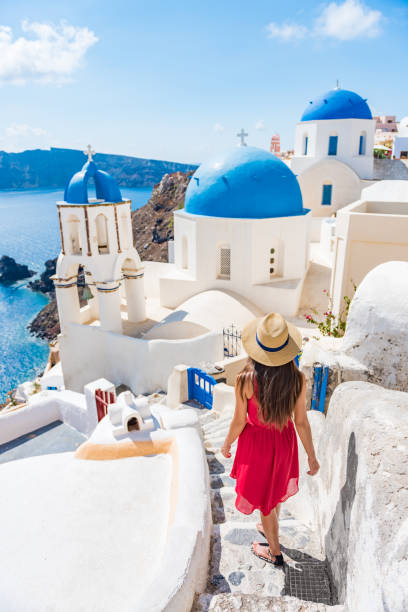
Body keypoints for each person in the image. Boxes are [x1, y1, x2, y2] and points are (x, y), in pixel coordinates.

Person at [221, 312, 320, 567]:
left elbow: (240, 421)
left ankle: (274, 553)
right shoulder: (297, 379)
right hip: (283, 442)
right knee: (273, 492)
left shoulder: (245, 380)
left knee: (265, 502)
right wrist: (311, 454)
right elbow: (300, 421)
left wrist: (227, 443)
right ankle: (270, 527)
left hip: (256, 447)